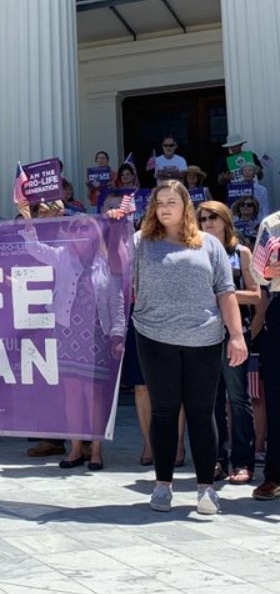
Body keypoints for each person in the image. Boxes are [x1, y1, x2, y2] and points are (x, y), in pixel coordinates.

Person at [120, 180, 246, 514]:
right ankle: (163, 485)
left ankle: (206, 488)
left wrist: (236, 335)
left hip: (204, 340)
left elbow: (225, 291)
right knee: (163, 412)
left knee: (201, 413)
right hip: (154, 337)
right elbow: (108, 262)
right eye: (159, 202)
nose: (164, 208)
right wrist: (114, 224)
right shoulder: (140, 242)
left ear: (185, 205)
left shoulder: (209, 245)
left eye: (172, 201)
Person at [20, 216, 125, 471]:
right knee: (72, 394)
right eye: (74, 227)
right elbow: (35, 250)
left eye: (84, 226)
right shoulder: (62, 256)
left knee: (95, 395)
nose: (78, 230)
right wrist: (30, 231)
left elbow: (116, 298)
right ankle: (76, 449)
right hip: (67, 333)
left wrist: (118, 332)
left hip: (97, 335)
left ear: (95, 232)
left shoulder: (106, 261)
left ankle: (96, 450)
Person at [196, 201, 260, 484]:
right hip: (203, 332)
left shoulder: (240, 252)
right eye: (202, 218)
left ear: (224, 220)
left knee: (237, 397)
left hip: (234, 331)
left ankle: (243, 462)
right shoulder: (195, 250)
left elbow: (257, 296)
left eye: (212, 217)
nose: (207, 222)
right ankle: (217, 461)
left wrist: (225, 294)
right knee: (210, 401)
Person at [250, 210, 280, 500]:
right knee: (276, 397)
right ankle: (274, 475)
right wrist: (271, 268)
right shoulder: (272, 224)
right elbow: (258, 273)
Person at [213, 134, 264, 201]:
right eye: (231, 146)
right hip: (234, 193)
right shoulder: (224, 160)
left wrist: (258, 171)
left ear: (241, 145)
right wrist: (224, 178)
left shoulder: (251, 156)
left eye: (235, 145)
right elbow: (219, 182)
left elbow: (260, 177)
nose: (233, 148)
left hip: (252, 191)